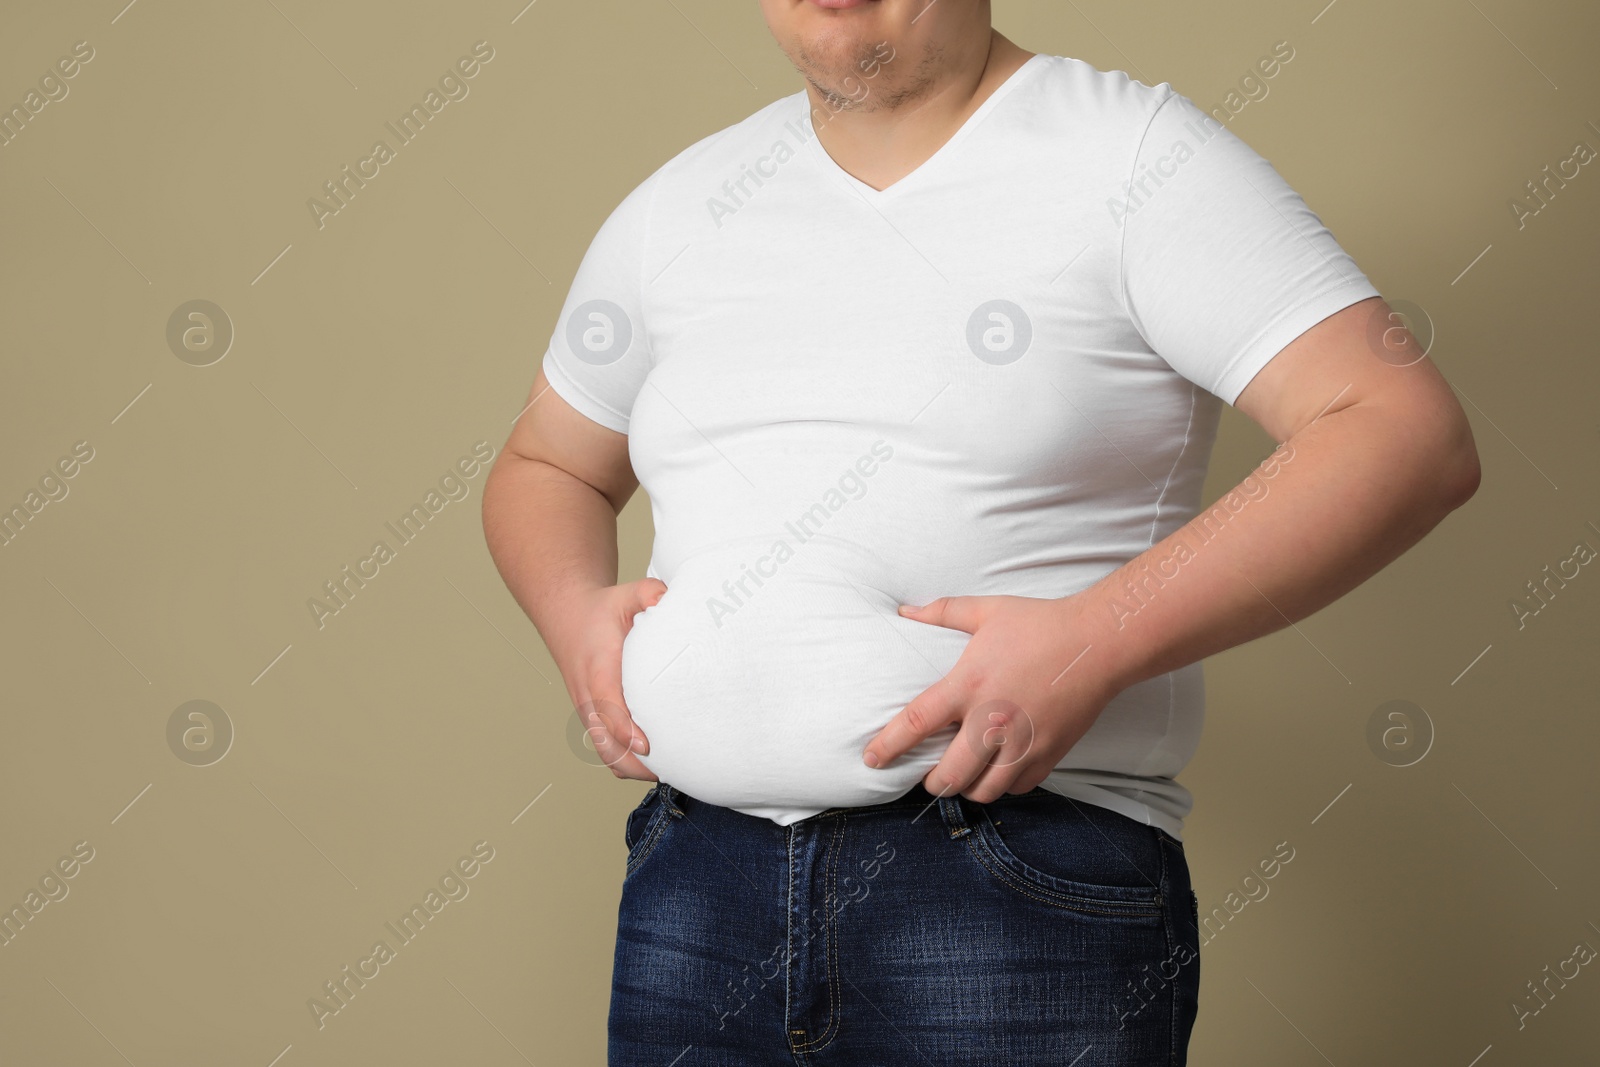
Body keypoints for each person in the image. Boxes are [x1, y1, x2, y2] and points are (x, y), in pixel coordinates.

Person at [480, 1, 1480, 1062]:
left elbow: (1400, 434)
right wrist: (571, 613)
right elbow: (545, 464)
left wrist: (1098, 634)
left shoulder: (1139, 159)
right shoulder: (675, 209)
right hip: (694, 889)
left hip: (1007, 883)